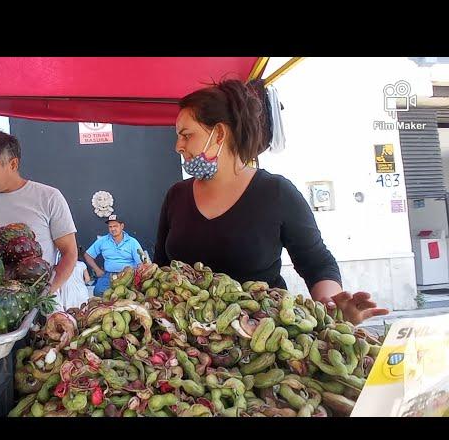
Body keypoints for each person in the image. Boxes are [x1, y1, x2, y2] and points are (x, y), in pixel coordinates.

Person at [153, 80, 388, 325]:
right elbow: (160, 269)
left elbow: (317, 264)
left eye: (186, 135)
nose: (178, 146)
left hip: (263, 342)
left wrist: (332, 304)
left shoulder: (276, 192)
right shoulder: (176, 196)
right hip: (186, 346)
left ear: (219, 134)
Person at [0, 130, 77, 295]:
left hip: (39, 312)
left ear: (13, 164)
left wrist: (46, 292)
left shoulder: (48, 197)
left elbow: (69, 253)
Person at [84, 214, 143, 297]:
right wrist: (97, 270)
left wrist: (138, 275)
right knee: (98, 292)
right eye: (110, 227)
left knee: (132, 295)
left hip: (129, 275)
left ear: (122, 226)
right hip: (110, 275)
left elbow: (141, 263)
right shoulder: (103, 241)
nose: (112, 229)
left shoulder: (132, 242)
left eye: (115, 226)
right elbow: (87, 255)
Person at [55, 246, 92, 310]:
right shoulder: (82, 264)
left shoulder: (60, 265)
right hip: (81, 291)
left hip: (67, 292)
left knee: (69, 312)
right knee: (83, 311)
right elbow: (87, 279)